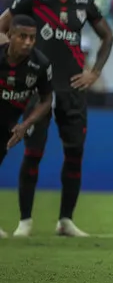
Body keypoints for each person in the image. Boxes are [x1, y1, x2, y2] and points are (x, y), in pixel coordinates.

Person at [0, 0, 113, 238]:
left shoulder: (83, 2)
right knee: (33, 153)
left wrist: (95, 72)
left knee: (74, 153)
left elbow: (107, 36)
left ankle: (66, 220)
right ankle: (25, 221)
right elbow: (2, 26)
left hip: (72, 88)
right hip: (38, 91)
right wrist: (15, 61)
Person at [0, 16, 54, 238]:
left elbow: (46, 100)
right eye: (22, 36)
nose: (28, 42)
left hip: (9, 122)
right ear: (10, 35)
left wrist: (26, 124)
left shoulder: (40, 64)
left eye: (32, 37)